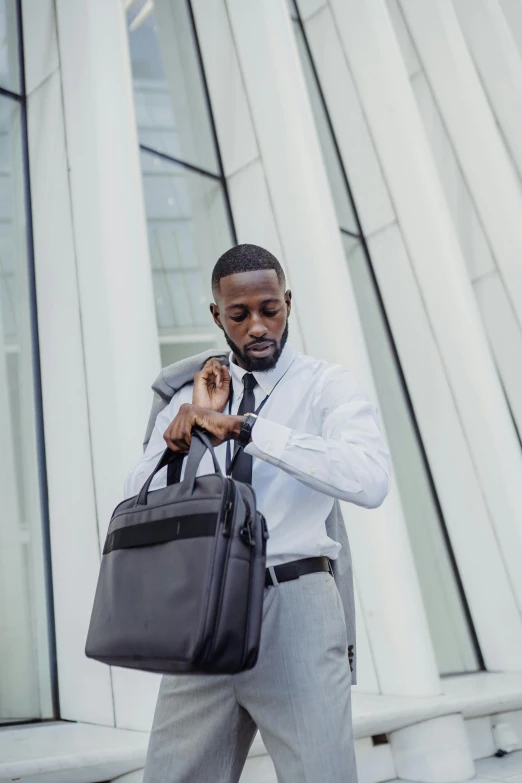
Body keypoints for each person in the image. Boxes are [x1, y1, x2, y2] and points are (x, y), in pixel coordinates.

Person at [124, 244, 391, 783]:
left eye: (270, 309)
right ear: (216, 315)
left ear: (288, 302)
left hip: (294, 603)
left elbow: (370, 479)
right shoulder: (189, 391)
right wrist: (184, 440)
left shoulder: (326, 385)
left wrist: (248, 429)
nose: (257, 327)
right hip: (203, 611)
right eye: (239, 315)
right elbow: (133, 496)